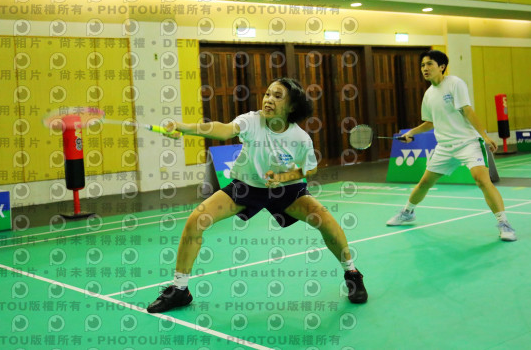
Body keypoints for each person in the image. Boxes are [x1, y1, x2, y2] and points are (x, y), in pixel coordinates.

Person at [147, 77, 368, 313]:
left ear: (292, 106)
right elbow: (223, 130)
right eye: (267, 94)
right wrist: (183, 127)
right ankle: (180, 289)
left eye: (277, 96)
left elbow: (309, 169)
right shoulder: (252, 120)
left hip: (286, 189)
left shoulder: (300, 138)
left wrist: (283, 177)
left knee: (326, 222)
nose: (268, 100)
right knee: (196, 220)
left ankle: (352, 273)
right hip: (247, 187)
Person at [385, 50, 517, 242]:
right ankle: (408, 212)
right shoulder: (428, 95)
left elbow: (468, 111)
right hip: (444, 147)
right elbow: (430, 122)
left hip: (468, 143)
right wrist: (411, 133)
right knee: (425, 182)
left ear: (442, 67)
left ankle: (504, 223)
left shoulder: (455, 83)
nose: (425, 68)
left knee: (482, 180)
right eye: (422, 65)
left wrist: (484, 136)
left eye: (429, 64)